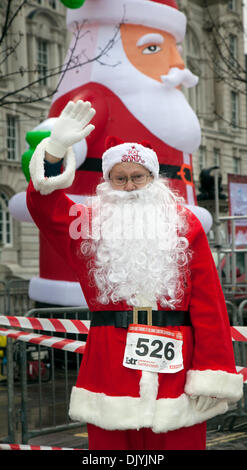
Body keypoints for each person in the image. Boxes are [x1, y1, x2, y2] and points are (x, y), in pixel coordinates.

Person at [26, 100, 243, 451]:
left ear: (153, 180)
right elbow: (43, 205)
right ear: (107, 181)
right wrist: (53, 152)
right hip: (110, 362)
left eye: (137, 177)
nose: (129, 186)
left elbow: (210, 304)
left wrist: (213, 373)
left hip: (177, 365)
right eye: (119, 178)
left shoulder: (185, 226)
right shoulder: (89, 225)